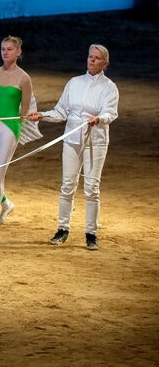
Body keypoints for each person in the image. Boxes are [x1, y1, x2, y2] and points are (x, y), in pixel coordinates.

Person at [26, 44, 118, 250]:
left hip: (95, 141)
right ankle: (62, 229)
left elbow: (110, 113)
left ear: (105, 63)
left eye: (97, 58)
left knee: (92, 187)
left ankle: (91, 233)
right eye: (90, 56)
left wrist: (98, 119)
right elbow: (61, 112)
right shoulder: (74, 83)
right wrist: (42, 115)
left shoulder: (109, 87)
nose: (92, 60)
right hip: (72, 139)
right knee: (67, 184)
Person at [0, 35, 39, 232]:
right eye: (3, 49)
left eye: (10, 49)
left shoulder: (24, 78)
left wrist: (18, 123)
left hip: (10, 128)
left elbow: (25, 109)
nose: (5, 52)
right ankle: (6, 204)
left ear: (18, 52)